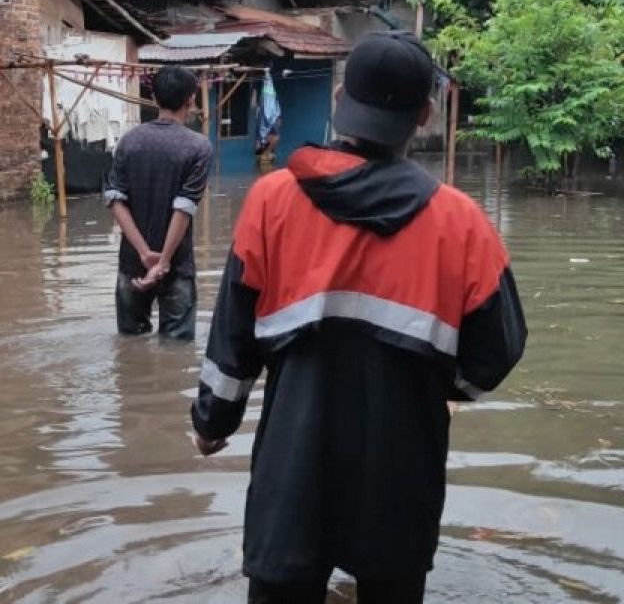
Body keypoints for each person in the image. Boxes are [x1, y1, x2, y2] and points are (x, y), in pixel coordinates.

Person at [190, 31, 527, 603]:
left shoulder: (271, 202)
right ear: (424, 114)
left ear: (340, 96)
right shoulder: (462, 223)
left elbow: (232, 340)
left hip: (293, 471)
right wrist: (439, 386)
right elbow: (498, 351)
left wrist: (212, 422)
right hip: (402, 469)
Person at [105, 66, 212, 341]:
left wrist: (144, 254)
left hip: (132, 263)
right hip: (176, 265)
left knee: (129, 347)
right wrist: (163, 261)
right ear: (190, 100)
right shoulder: (198, 147)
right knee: (176, 354)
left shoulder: (128, 142)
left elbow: (115, 201)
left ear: (154, 98)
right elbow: (184, 208)